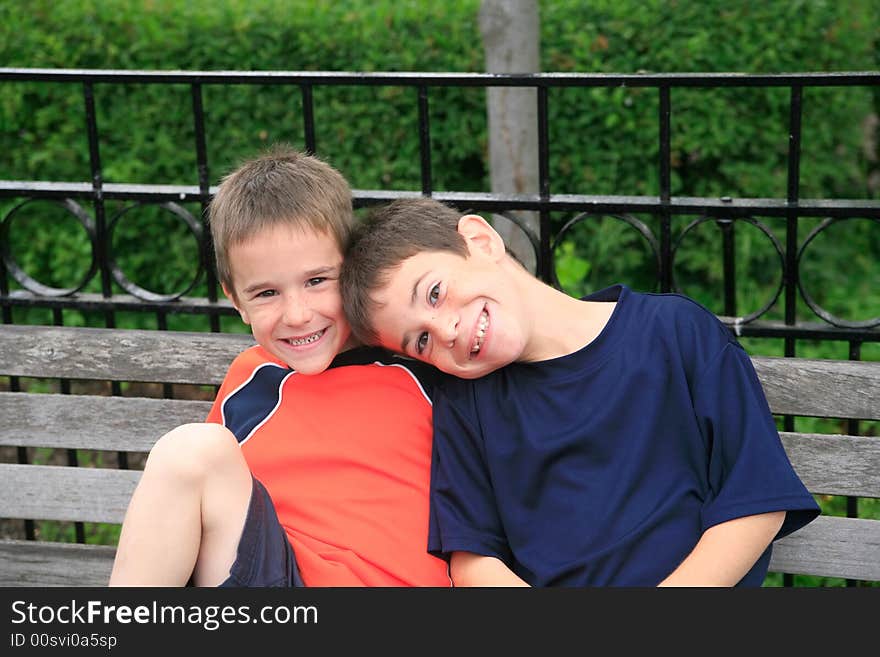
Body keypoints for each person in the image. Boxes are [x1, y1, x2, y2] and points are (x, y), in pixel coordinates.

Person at [339, 197, 821, 587]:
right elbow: (473, 561)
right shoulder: (467, 404)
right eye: (420, 340)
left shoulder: (674, 333)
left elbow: (756, 503)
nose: (444, 330)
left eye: (435, 293)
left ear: (481, 241)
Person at [109, 148, 450, 587]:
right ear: (235, 300)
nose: (297, 314)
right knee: (192, 451)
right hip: (280, 583)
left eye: (316, 281)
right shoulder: (250, 382)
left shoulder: (417, 365)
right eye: (266, 293)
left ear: (352, 270)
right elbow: (211, 519)